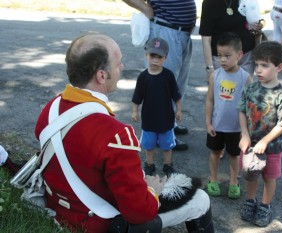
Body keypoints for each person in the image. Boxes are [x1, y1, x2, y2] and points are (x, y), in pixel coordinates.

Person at [34, 33, 214, 233]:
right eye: (119, 63)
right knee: (200, 200)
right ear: (101, 76)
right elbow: (139, 212)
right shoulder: (116, 135)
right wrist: (152, 189)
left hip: (57, 213)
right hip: (95, 224)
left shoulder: (50, 109)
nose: (122, 67)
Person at [122, 0, 197, 151]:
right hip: (165, 31)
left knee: (177, 85)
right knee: (161, 88)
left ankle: (170, 125)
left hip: (182, 33)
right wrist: (144, 8)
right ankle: (163, 134)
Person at [237, 41, 282, 227]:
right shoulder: (250, 89)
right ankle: (250, 201)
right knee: (251, 174)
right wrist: (245, 134)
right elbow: (242, 111)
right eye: (257, 64)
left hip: (272, 148)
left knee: (269, 177)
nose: (259, 70)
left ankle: (265, 205)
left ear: (279, 67)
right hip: (250, 146)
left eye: (265, 65)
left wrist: (265, 140)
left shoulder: (281, 96)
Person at [205, 32, 252, 199]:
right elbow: (210, 100)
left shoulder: (246, 78)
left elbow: (248, 104)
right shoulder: (215, 75)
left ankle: (234, 182)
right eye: (219, 56)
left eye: (227, 56)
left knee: (234, 155)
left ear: (239, 55)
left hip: (235, 127)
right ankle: (213, 179)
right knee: (215, 152)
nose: (222, 60)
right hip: (217, 125)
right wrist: (208, 122)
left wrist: (245, 129)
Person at [132, 38, 182, 177]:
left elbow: (176, 95)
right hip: (148, 120)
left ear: (165, 57)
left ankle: (167, 165)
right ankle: (149, 164)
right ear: (146, 55)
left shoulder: (168, 76)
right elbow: (137, 96)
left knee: (167, 145)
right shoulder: (143, 77)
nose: (155, 60)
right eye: (152, 56)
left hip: (166, 119)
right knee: (149, 145)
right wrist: (135, 110)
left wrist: (179, 110)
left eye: (159, 57)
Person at [199, 0, 264, 80]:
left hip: (246, 57)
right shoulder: (210, 3)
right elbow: (206, 38)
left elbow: (255, 27)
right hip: (223, 59)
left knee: (245, 90)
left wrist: (258, 25)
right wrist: (210, 68)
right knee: (224, 91)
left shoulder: (245, 1)